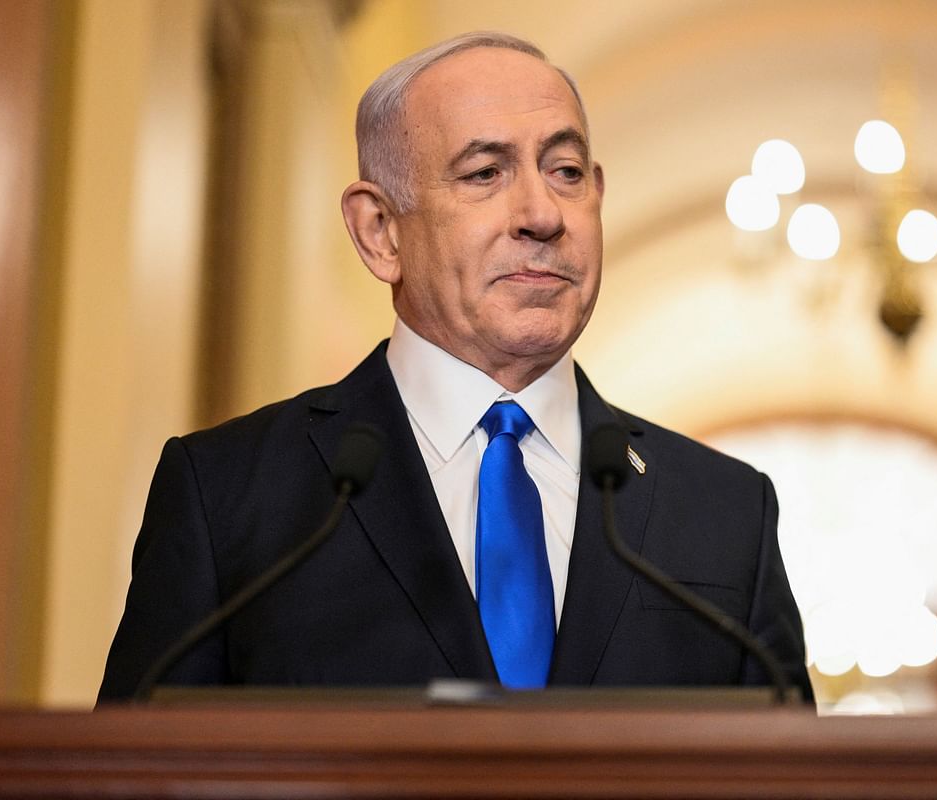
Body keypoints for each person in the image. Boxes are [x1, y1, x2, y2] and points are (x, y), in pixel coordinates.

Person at [98, 32, 814, 703]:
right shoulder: (228, 497)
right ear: (381, 233)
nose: (541, 213)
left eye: (565, 171)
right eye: (485, 173)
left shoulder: (726, 515)